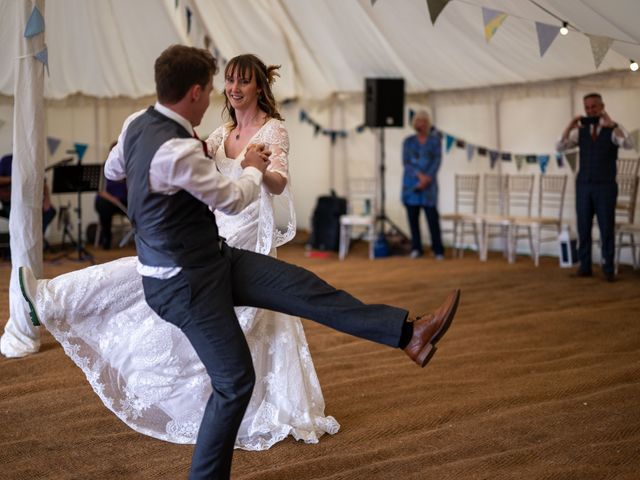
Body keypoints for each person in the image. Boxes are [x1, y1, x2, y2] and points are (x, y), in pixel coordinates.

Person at [19, 45, 460, 480]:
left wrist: (155, 187)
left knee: (304, 288)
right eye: (216, 84)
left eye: (236, 81)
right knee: (233, 382)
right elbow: (231, 200)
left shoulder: (138, 124)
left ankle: (407, 333)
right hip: (187, 280)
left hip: (218, 256)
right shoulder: (182, 148)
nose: (223, 90)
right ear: (194, 92)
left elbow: (115, 171)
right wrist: (248, 166)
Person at [18, 53, 340, 452]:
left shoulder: (273, 130)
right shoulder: (220, 134)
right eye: (229, 82)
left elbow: (276, 183)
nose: (234, 89)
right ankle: (57, 299)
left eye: (243, 82)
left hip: (249, 232)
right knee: (181, 301)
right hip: (216, 230)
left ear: (259, 87)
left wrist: (260, 170)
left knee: (258, 321)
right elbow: (206, 176)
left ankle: (269, 405)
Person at [557, 93, 635, 282]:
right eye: (587, 107)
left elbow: (629, 143)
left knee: (606, 227)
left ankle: (608, 268)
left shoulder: (613, 128)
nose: (590, 110)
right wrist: (570, 125)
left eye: (594, 107)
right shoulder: (580, 131)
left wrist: (612, 125)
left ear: (602, 106)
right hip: (583, 185)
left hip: (605, 186)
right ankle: (585, 266)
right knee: (583, 226)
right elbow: (560, 147)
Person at [401, 110, 444, 260]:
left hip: (429, 187)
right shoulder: (408, 141)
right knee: (413, 219)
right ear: (414, 124)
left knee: (432, 218)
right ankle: (416, 248)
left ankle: (438, 249)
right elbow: (406, 163)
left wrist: (427, 178)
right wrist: (419, 176)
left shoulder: (434, 140)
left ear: (428, 124)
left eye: (424, 121)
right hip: (411, 185)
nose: (421, 124)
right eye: (419, 121)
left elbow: (437, 160)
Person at [0, 153, 57, 248]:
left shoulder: (32, 161)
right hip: (10, 202)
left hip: (30, 200)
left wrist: (47, 200)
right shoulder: (6, 160)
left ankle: (37, 237)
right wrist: (13, 179)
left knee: (50, 211)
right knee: (22, 217)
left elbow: (43, 182)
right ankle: (22, 246)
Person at [94, 142, 129, 249]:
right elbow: (100, 190)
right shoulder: (104, 167)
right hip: (108, 200)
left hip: (123, 200)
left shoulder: (127, 167)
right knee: (103, 205)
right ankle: (106, 238)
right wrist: (112, 199)